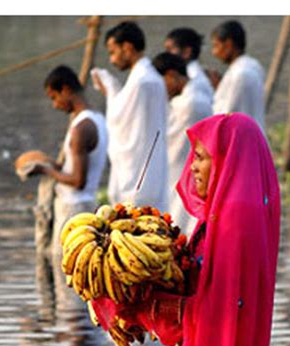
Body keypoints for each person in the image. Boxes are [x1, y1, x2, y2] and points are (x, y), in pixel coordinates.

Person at [92, 113, 281, 346]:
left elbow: (214, 313)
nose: (192, 166)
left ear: (229, 162)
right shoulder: (224, 214)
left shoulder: (236, 217)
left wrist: (142, 308)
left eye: (201, 157)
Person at [35, 65, 108, 296]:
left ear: (66, 90)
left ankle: (73, 327)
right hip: (83, 206)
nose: (55, 104)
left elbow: (78, 180)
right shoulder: (96, 118)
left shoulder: (81, 128)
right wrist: (53, 165)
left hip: (74, 209)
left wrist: (45, 171)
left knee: (69, 277)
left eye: (54, 97)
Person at [92, 21, 169, 211]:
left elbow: (121, 119)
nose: (111, 59)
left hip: (138, 177)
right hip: (152, 175)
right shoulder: (149, 77)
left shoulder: (143, 81)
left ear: (127, 47)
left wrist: (110, 89)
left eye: (112, 52)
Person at [152, 52, 212, 236]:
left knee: (183, 221)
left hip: (184, 169)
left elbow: (166, 137)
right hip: (187, 169)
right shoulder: (195, 96)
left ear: (171, 75)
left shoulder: (189, 103)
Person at [211, 20, 266, 133]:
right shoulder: (252, 66)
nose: (214, 52)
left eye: (216, 46)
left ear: (229, 45)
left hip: (243, 142)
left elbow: (228, 114)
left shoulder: (241, 74)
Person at [164, 27, 215, 104]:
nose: (166, 54)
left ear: (186, 52)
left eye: (170, 49)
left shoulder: (193, 76)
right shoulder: (197, 73)